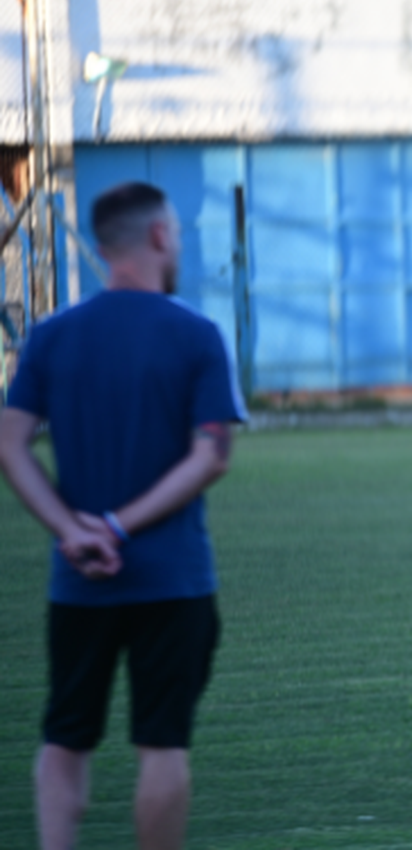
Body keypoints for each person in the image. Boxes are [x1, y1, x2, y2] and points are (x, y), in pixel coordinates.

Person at [0, 182, 246, 850]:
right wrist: (115, 527)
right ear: (161, 236)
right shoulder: (196, 335)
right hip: (173, 580)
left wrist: (71, 529)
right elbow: (211, 455)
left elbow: (9, 443)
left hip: (79, 581)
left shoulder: (51, 337)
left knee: (65, 736)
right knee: (162, 745)